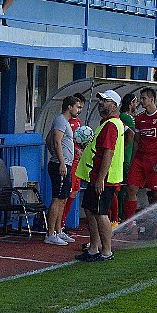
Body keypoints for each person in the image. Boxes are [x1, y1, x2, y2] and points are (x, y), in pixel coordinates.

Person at [74, 90, 124, 262]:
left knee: (101, 213)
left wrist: (101, 178)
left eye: (105, 100)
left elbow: (108, 153)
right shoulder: (107, 123)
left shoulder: (111, 125)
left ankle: (106, 251)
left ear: (114, 105)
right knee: (90, 209)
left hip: (104, 178)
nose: (101, 103)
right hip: (97, 176)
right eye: (101, 100)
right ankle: (94, 248)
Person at [123, 88, 157, 227]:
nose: (141, 101)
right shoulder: (139, 118)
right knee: (131, 189)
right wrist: (133, 161)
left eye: (144, 98)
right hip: (140, 160)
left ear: (152, 99)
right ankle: (129, 224)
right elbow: (137, 141)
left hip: (155, 161)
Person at [44, 96, 81, 245]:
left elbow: (49, 139)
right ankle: (50, 233)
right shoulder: (60, 120)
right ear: (69, 107)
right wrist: (60, 161)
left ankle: (59, 231)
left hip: (66, 164)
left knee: (63, 198)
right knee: (57, 199)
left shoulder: (64, 122)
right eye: (77, 107)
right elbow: (55, 141)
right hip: (61, 165)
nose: (78, 110)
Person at [61, 93, 87, 232]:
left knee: (74, 193)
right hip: (69, 162)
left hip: (78, 163)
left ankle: (62, 224)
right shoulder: (64, 122)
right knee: (65, 195)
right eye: (78, 107)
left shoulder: (78, 122)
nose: (80, 110)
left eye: (81, 107)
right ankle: (59, 225)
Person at [116, 93, 137, 221]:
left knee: (124, 187)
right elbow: (133, 134)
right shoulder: (126, 117)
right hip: (125, 158)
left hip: (127, 156)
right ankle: (122, 215)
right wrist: (123, 149)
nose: (136, 105)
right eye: (135, 102)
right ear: (130, 103)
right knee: (124, 187)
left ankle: (121, 214)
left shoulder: (127, 116)